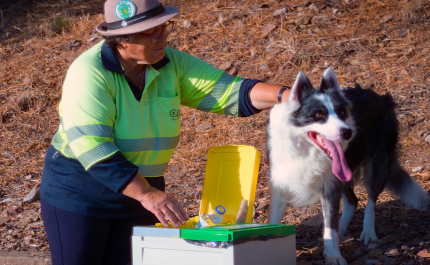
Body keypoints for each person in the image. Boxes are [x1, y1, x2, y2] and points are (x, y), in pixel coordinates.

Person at [39, 0, 292, 264]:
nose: (162, 37)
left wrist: (288, 96)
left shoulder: (171, 64)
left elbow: (232, 92)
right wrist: (147, 194)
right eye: (151, 32)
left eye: (163, 27)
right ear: (121, 40)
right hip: (82, 195)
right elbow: (93, 147)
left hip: (140, 195)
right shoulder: (89, 72)